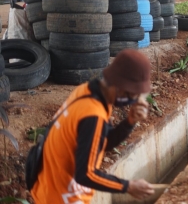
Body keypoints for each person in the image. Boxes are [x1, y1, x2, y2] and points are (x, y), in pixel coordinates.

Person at [31, 49, 155, 204]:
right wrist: (128, 186)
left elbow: (103, 142)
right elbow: (85, 175)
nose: (135, 100)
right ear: (120, 88)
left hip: (48, 188)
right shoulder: (93, 116)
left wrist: (129, 122)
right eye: (134, 95)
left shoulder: (86, 91)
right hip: (61, 197)